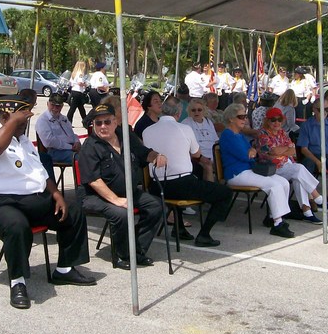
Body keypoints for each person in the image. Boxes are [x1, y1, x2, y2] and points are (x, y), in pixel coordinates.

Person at [0, 94, 95, 309]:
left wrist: (56, 194)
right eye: (20, 120)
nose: (23, 125)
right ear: (4, 116)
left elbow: (40, 172)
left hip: (29, 201)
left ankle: (65, 269)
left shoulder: (24, 141)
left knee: (73, 210)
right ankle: (17, 282)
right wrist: (13, 123)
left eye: (25, 121)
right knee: (16, 225)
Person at [78, 103, 168, 269]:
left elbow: (143, 152)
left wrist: (157, 156)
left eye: (107, 122)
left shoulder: (125, 136)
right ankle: (121, 255)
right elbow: (94, 180)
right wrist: (116, 200)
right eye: (98, 123)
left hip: (128, 192)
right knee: (121, 213)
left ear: (115, 122)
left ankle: (137, 250)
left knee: (157, 206)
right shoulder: (90, 147)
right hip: (95, 196)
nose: (103, 126)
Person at [142, 97, 231, 246]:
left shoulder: (147, 131)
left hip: (156, 186)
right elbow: (196, 154)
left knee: (186, 179)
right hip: (180, 185)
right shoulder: (184, 129)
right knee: (225, 192)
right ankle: (204, 234)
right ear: (178, 112)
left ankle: (179, 228)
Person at [218, 103, 294, 238]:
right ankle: (278, 224)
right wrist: (251, 152)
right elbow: (246, 155)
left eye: (245, 116)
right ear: (231, 118)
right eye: (241, 116)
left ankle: (273, 217)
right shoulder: (228, 135)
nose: (245, 119)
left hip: (248, 170)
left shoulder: (239, 135)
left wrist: (252, 151)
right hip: (237, 173)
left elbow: (253, 151)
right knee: (274, 185)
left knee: (283, 182)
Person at [256, 107, 325, 223]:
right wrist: (285, 150)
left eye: (279, 119)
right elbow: (272, 153)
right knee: (299, 169)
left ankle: (307, 211)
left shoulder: (282, 132)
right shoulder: (263, 134)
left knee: (298, 176)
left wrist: (281, 151)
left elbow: (293, 150)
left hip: (286, 165)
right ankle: (316, 196)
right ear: (267, 120)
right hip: (272, 168)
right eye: (273, 120)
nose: (277, 123)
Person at [35, 93, 81, 164]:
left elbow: (72, 134)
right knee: (81, 158)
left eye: (58, 106)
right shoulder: (43, 120)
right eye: (52, 105)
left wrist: (77, 141)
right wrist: (70, 147)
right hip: (55, 151)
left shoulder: (64, 118)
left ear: (62, 106)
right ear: (47, 104)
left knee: (91, 154)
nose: (55, 108)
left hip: (70, 149)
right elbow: (49, 142)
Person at [181, 98, 218, 181]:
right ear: (189, 111)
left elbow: (215, 140)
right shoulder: (185, 123)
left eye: (199, 110)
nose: (196, 112)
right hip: (197, 156)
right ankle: (210, 190)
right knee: (207, 165)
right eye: (193, 110)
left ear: (204, 111)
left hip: (213, 154)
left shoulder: (208, 122)